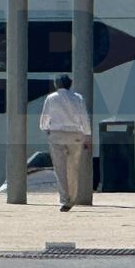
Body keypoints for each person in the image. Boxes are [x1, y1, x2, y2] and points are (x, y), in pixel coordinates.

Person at [40, 73, 91, 211]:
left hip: (57, 134)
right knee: (73, 167)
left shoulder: (51, 98)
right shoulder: (78, 98)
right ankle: (72, 198)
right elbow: (84, 118)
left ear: (57, 85)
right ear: (70, 84)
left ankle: (65, 198)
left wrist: (46, 129)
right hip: (75, 134)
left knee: (59, 168)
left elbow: (45, 118)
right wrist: (87, 135)